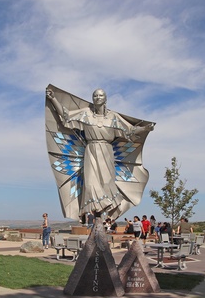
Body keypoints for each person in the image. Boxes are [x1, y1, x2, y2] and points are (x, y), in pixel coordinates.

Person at [45, 86, 154, 221]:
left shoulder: (113, 117)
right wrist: (53, 99)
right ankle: (94, 216)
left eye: (100, 95)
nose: (97, 98)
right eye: (95, 95)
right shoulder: (86, 114)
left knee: (107, 183)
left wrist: (144, 129)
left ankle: (104, 217)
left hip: (107, 152)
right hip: (90, 151)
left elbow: (129, 131)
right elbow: (66, 116)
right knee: (90, 184)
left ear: (105, 99)